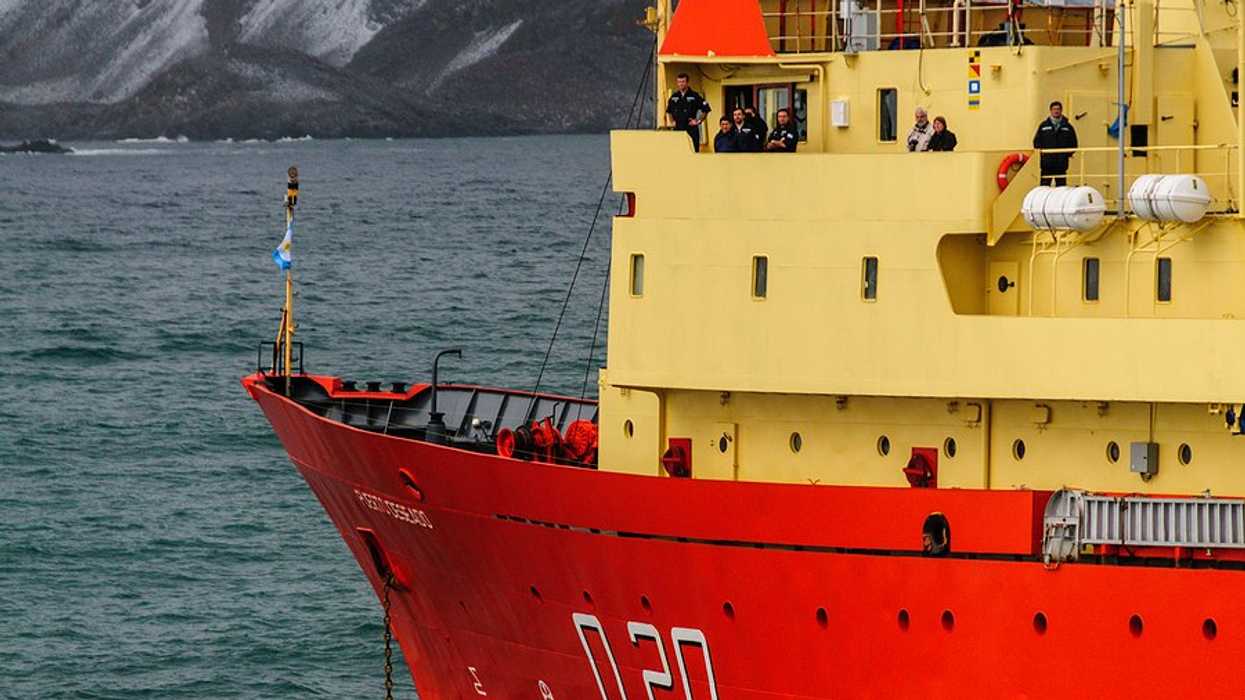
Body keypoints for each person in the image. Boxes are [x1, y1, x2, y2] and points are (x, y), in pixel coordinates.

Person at [1032, 100, 1078, 186]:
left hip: (1061, 163)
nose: (1056, 111)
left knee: (1061, 187)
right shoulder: (1043, 126)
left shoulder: (1067, 127)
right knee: (1044, 186)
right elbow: (1037, 141)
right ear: (1050, 111)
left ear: (1061, 110)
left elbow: (1074, 143)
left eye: (1058, 109)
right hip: (1047, 163)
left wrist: (1066, 155)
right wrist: (1042, 154)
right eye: (1054, 109)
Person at [665, 73, 710, 152]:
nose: (681, 84)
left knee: (693, 151)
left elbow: (706, 109)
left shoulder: (694, 96)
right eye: (679, 82)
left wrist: (698, 121)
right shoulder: (674, 97)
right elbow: (669, 111)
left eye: (683, 82)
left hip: (691, 129)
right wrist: (672, 122)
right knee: (677, 151)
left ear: (687, 82)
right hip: (678, 129)